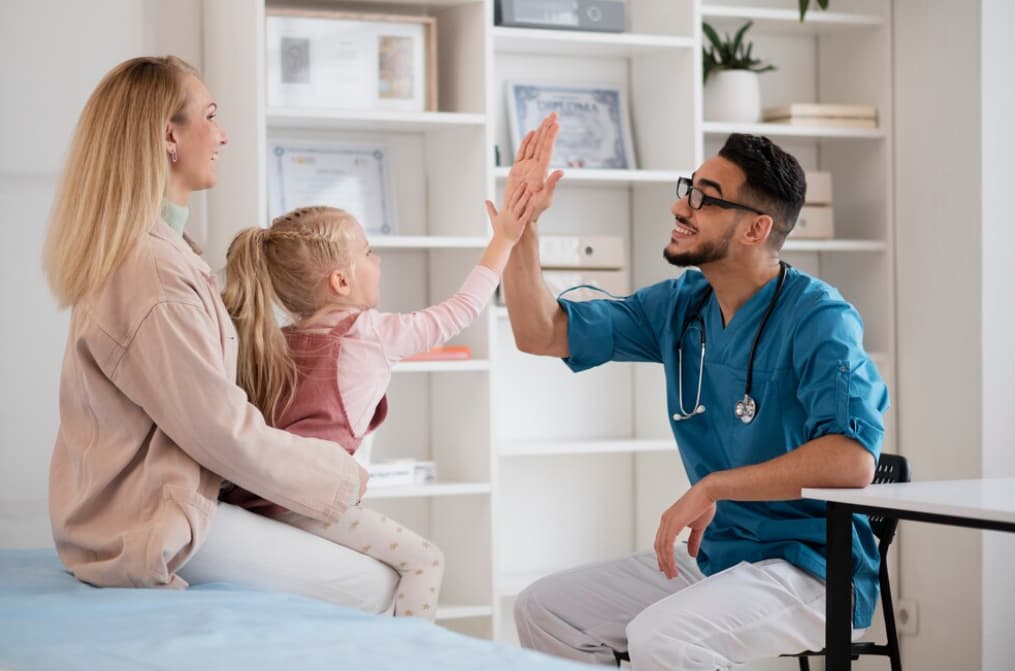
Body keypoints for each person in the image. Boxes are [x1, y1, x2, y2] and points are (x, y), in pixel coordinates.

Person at [502, 114, 889, 670]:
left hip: (813, 567)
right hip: (726, 555)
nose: (681, 207)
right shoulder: (684, 304)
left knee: (664, 636)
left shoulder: (820, 319)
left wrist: (713, 486)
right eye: (689, 190)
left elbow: (851, 462)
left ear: (756, 229)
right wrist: (523, 227)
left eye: (706, 199)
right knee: (546, 608)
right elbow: (540, 333)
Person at [42, 56, 394, 611]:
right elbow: (219, 430)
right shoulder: (152, 272)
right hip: (146, 522)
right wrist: (339, 477)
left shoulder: (161, 255)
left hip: (138, 504)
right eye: (210, 115)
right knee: (377, 584)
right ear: (169, 136)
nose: (223, 135)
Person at [217, 186, 533, 620]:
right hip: (307, 504)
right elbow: (460, 311)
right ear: (341, 282)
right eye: (368, 252)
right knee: (426, 560)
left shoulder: (272, 340)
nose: (377, 261)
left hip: (254, 499)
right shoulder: (371, 334)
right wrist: (504, 241)